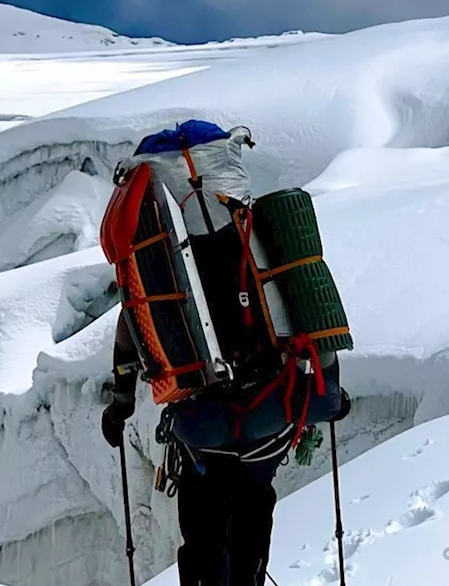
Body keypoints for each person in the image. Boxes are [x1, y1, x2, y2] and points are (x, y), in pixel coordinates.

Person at [97, 119, 354, 586]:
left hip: (201, 426)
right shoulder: (261, 237)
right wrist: (332, 394)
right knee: (254, 503)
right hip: (268, 417)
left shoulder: (160, 264)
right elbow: (310, 317)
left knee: (204, 523)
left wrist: (121, 401)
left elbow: (133, 325)